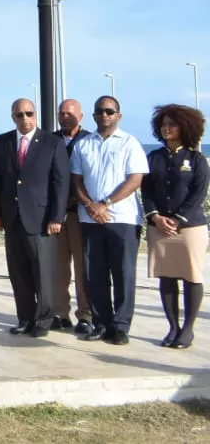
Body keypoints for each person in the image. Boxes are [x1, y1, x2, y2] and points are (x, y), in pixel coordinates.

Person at [0, 98, 70, 337]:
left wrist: (57, 217)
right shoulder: (2, 142)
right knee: (19, 273)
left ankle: (43, 321)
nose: (25, 118)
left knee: (43, 273)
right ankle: (24, 318)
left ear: (36, 115)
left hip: (42, 219)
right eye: (19, 115)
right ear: (13, 117)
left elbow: (60, 183)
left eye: (29, 113)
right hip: (12, 219)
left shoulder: (52, 143)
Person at [71, 95, 147, 345]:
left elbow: (135, 179)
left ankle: (121, 326)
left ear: (118, 115)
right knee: (94, 275)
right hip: (90, 219)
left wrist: (107, 204)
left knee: (123, 274)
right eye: (100, 111)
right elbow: (77, 180)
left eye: (109, 111)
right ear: (93, 116)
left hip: (122, 219)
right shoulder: (84, 145)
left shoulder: (130, 143)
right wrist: (91, 205)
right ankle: (101, 323)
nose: (105, 115)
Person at [141, 104, 208, 349]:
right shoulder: (154, 158)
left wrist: (178, 219)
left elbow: (198, 193)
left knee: (191, 276)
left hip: (189, 229)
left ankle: (188, 329)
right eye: (164, 124)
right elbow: (145, 190)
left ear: (185, 127)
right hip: (159, 226)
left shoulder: (196, 159)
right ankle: (173, 327)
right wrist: (156, 217)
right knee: (166, 277)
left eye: (172, 124)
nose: (166, 128)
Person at [53, 98, 93, 334]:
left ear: (81, 114)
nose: (65, 117)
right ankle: (59, 313)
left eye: (69, 113)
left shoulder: (89, 140)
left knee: (83, 268)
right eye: (61, 113)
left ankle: (86, 315)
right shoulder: (50, 140)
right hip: (57, 215)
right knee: (58, 268)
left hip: (81, 214)